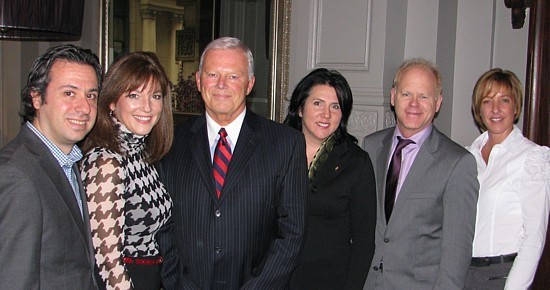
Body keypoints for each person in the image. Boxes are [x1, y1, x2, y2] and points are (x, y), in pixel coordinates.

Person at [157, 36, 308, 289]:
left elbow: (292, 232)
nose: (221, 85)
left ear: (250, 84)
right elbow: (163, 226)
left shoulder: (286, 144)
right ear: (198, 80)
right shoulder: (170, 143)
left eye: (233, 76)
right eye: (213, 74)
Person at [361, 58, 479, 289]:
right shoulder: (371, 146)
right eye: (407, 94)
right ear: (393, 97)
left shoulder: (457, 163)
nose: (414, 104)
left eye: (424, 96)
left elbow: (456, 254)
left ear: (438, 103)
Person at [0, 44, 102, 289]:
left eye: (91, 95)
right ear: (37, 98)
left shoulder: (66, 161)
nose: (84, 107)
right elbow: (14, 279)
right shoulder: (18, 175)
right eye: (69, 93)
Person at [80, 52, 174, 290]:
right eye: (134, 95)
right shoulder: (106, 162)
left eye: (155, 96)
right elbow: (108, 263)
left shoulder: (142, 154)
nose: (147, 106)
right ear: (112, 102)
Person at [284, 68, 376, 289]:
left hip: (329, 280)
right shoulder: (276, 151)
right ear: (299, 107)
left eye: (335, 106)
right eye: (317, 103)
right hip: (276, 278)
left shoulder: (357, 162)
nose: (326, 114)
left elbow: (364, 243)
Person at [464, 68, 550, 290]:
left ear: (516, 107)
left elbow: (534, 238)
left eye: (504, 100)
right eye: (487, 101)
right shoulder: (466, 156)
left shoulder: (531, 158)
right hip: (462, 274)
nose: (495, 109)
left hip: (502, 277)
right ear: (478, 109)